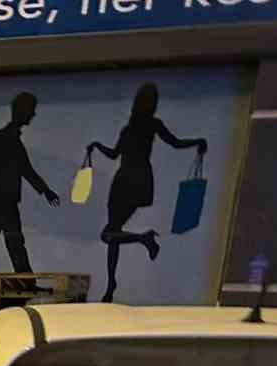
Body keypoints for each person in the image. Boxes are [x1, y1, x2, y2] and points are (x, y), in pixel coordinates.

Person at [88, 83, 207, 302]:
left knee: (109, 234)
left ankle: (142, 240)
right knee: (113, 232)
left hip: (126, 180)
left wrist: (97, 146)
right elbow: (175, 143)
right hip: (136, 179)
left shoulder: (132, 128)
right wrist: (196, 142)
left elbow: (114, 154)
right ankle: (112, 282)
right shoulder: (149, 125)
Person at [0, 92, 60, 274]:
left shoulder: (10, 139)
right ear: (22, 110)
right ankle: (25, 280)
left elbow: (26, 170)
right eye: (31, 110)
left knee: (0, 240)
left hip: (3, 201)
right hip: (3, 201)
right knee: (13, 241)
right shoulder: (4, 138)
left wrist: (46, 191)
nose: (33, 114)